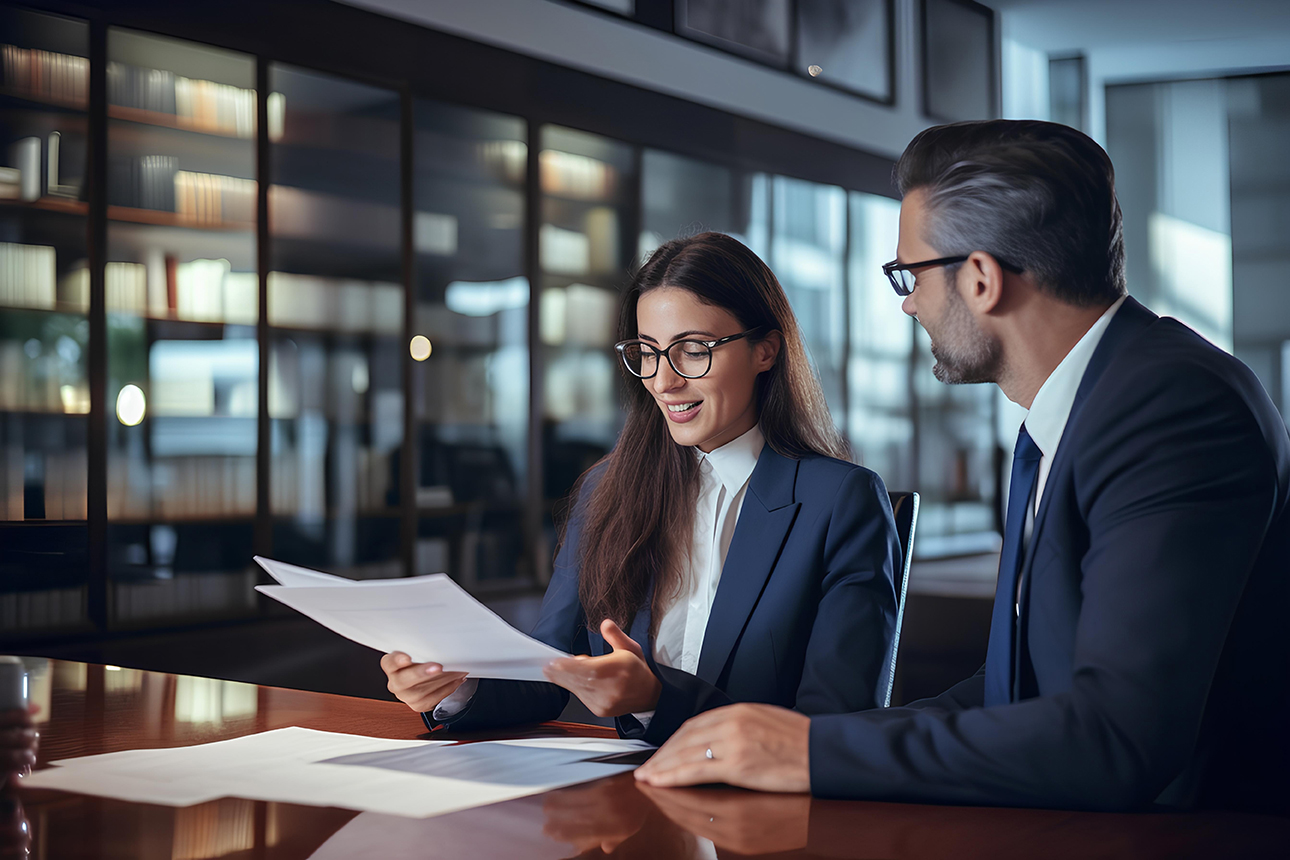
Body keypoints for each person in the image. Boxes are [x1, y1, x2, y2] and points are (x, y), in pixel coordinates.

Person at [635, 120, 1290, 812]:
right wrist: (790, 739)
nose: (909, 302)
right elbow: (1011, 688)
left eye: (908, 275)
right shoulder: (1081, 409)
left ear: (980, 278)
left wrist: (808, 751)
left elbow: (1116, 735)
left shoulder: (1171, 408)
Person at [382, 232, 902, 743]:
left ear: (765, 350)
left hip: (762, 811)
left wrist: (657, 698)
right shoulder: (608, 488)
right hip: (627, 803)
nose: (663, 380)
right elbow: (548, 671)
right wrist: (453, 688)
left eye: (693, 349)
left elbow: (836, 724)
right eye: (647, 352)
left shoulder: (840, 500)